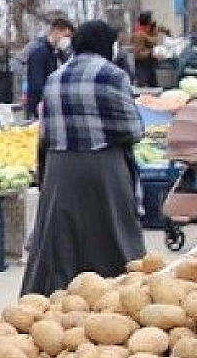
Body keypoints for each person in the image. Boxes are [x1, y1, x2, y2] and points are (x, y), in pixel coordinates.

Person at [20, 20, 144, 297]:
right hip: (103, 168)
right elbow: (133, 129)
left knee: (62, 242)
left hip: (60, 169)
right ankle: (120, 298)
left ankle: (53, 300)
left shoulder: (55, 76)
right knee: (113, 236)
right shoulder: (113, 75)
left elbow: (45, 133)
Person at [21, 18, 74, 119]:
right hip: (40, 106)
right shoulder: (39, 52)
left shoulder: (58, 53)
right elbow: (37, 83)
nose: (68, 40)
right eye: (66, 36)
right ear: (56, 31)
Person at [129, 11, 160, 88]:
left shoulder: (148, 31)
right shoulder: (139, 35)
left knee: (154, 87)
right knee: (144, 89)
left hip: (150, 66)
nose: (153, 21)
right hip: (142, 69)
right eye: (151, 19)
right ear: (147, 21)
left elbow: (153, 40)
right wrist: (150, 52)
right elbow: (137, 55)